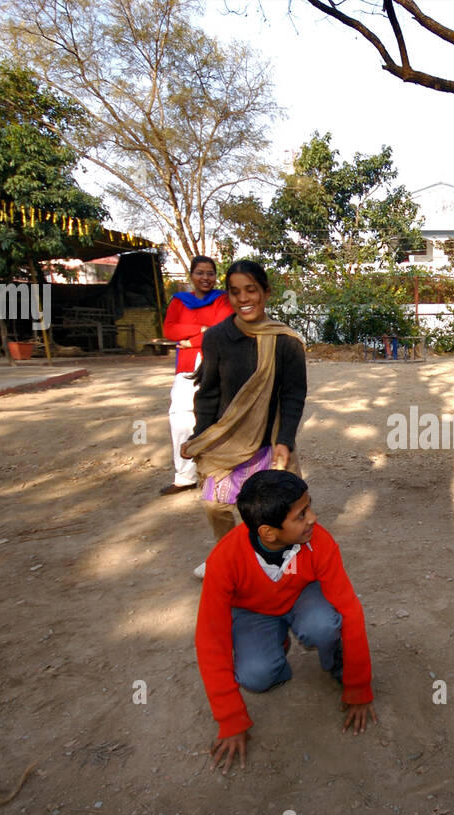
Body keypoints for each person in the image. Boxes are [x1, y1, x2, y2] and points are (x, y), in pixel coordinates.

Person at [194, 470, 377, 772]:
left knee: (324, 624)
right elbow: (210, 638)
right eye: (301, 515)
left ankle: (336, 662)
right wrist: (230, 720)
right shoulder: (224, 560)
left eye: (309, 506)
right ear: (268, 532)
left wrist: (359, 688)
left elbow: (350, 611)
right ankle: (274, 646)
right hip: (255, 612)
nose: (314, 518)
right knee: (256, 676)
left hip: (302, 598)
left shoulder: (319, 542)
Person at [182, 259, 307, 574]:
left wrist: (285, 441)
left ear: (266, 292)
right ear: (228, 296)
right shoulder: (216, 339)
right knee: (215, 504)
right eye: (235, 292)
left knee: (280, 508)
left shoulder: (285, 342)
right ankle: (230, 556)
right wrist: (202, 436)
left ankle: (279, 561)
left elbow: (292, 395)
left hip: (269, 441)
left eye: (251, 290)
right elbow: (208, 392)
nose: (244, 299)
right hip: (227, 441)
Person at [160, 255, 233, 495]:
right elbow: (169, 329)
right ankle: (184, 476)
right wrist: (202, 330)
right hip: (188, 366)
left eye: (210, 273)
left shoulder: (223, 300)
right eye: (200, 273)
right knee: (180, 416)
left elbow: (223, 330)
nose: (206, 278)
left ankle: (220, 473)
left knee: (220, 415)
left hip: (217, 361)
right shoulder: (179, 301)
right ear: (191, 275)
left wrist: (189, 342)